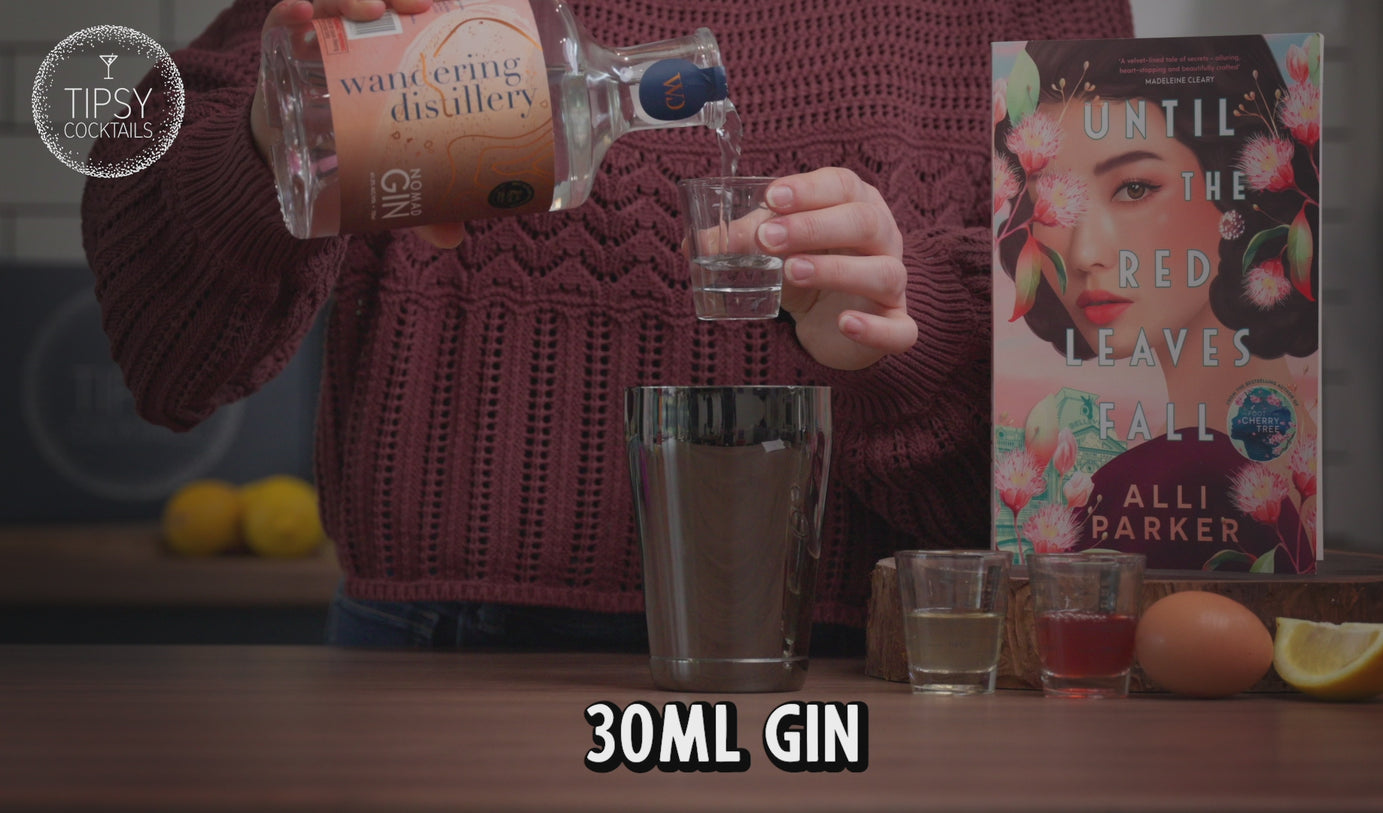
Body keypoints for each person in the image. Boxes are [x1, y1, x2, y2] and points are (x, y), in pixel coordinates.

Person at [83, 0, 1135, 647]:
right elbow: (161, 342)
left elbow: (1089, 473)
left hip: (871, 667)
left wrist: (905, 334)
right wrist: (272, 150)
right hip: (446, 651)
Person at [994, 35, 1320, 571]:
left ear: (1239, 189)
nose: (1086, 253)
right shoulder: (1282, 460)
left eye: (1135, 188)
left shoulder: (1165, 482)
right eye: (1050, 204)